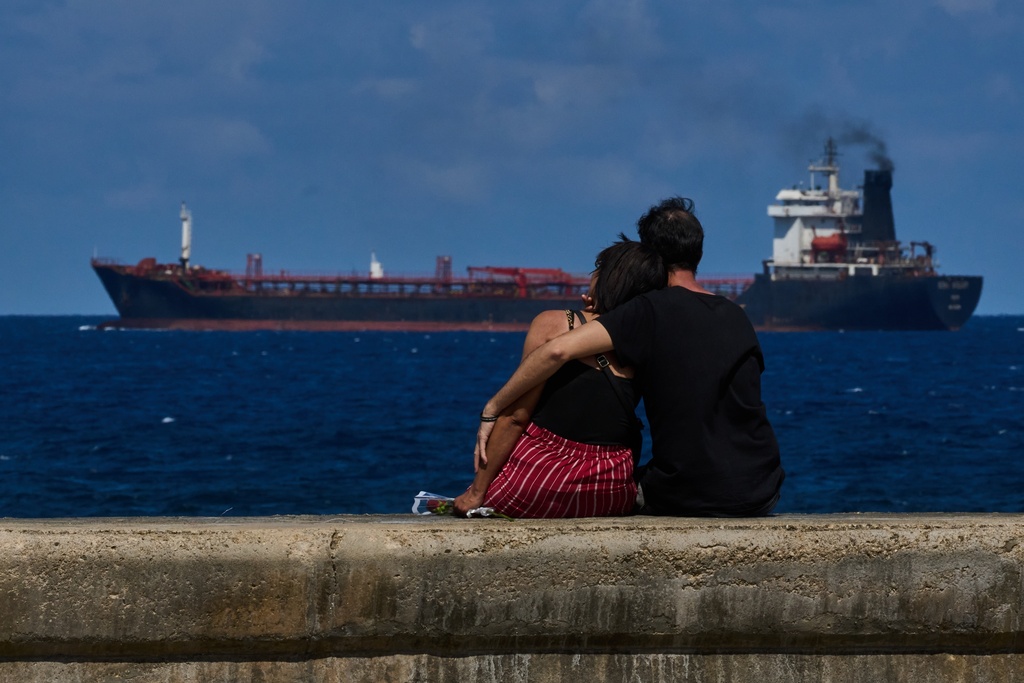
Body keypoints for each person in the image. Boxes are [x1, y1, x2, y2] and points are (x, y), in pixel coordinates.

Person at [476, 197, 784, 517]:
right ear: (699, 251)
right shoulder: (737, 315)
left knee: (617, 485)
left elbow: (557, 350)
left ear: (651, 255)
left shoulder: (649, 310)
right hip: (763, 488)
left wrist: (492, 407)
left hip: (690, 491)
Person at [453, 239, 667, 518]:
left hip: (541, 481)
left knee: (480, 501)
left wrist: (476, 492)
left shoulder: (556, 323)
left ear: (610, 277)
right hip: (611, 491)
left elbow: (516, 416)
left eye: (598, 268)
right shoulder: (648, 341)